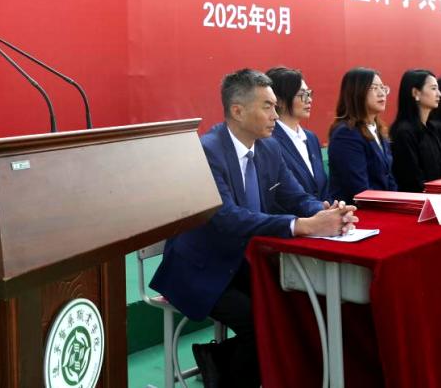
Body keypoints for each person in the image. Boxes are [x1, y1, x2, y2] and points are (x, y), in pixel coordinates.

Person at [149, 69, 358, 388]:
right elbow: (228, 218)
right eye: (267, 106)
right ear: (238, 111)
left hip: (246, 261)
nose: (276, 114)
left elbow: (295, 196)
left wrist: (324, 212)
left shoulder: (269, 147)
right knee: (259, 323)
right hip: (202, 267)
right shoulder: (207, 151)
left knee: (292, 307)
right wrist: (301, 225)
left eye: (275, 105)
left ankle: (223, 364)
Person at [327, 67, 398, 202]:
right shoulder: (346, 133)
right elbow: (359, 190)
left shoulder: (378, 129)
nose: (381, 93)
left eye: (383, 88)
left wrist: (398, 203)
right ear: (357, 92)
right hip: (357, 210)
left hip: (381, 205)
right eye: (374, 88)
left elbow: (389, 178)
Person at [266, 66, 330, 203]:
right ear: (280, 101)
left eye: (309, 93)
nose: (309, 100)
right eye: (302, 94)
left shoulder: (311, 138)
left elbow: (323, 188)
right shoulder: (269, 141)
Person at [389, 69, 441, 192]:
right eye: (433, 88)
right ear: (416, 92)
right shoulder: (404, 132)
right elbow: (412, 179)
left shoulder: (431, 128)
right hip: (419, 198)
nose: (439, 94)